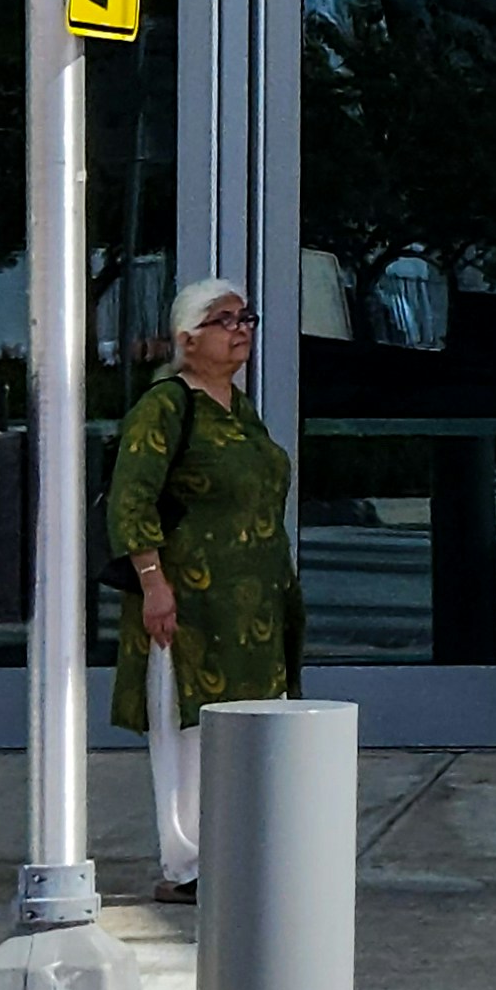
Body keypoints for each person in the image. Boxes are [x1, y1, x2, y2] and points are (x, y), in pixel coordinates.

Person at [103, 272, 303, 902]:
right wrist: (153, 582)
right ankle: (188, 863)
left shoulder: (239, 409)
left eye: (246, 319)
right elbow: (131, 499)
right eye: (225, 321)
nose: (240, 332)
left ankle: (239, 849)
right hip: (187, 601)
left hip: (253, 605)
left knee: (247, 725)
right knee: (188, 728)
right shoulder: (167, 407)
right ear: (187, 339)